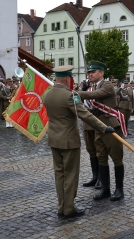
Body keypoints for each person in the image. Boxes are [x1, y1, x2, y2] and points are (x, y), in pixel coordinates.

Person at [44, 65, 114, 218]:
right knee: (70, 174)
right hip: (69, 140)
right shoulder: (69, 95)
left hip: (54, 139)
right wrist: (103, 127)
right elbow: (85, 115)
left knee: (59, 174)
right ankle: (69, 208)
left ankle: (61, 205)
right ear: (68, 78)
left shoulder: (47, 94)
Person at [78, 61, 126, 202]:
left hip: (111, 126)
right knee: (101, 158)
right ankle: (105, 189)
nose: (90, 74)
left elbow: (98, 95)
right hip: (99, 127)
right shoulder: (92, 87)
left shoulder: (107, 85)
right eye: (89, 72)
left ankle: (119, 189)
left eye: (94, 72)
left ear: (101, 73)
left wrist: (77, 93)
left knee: (117, 158)